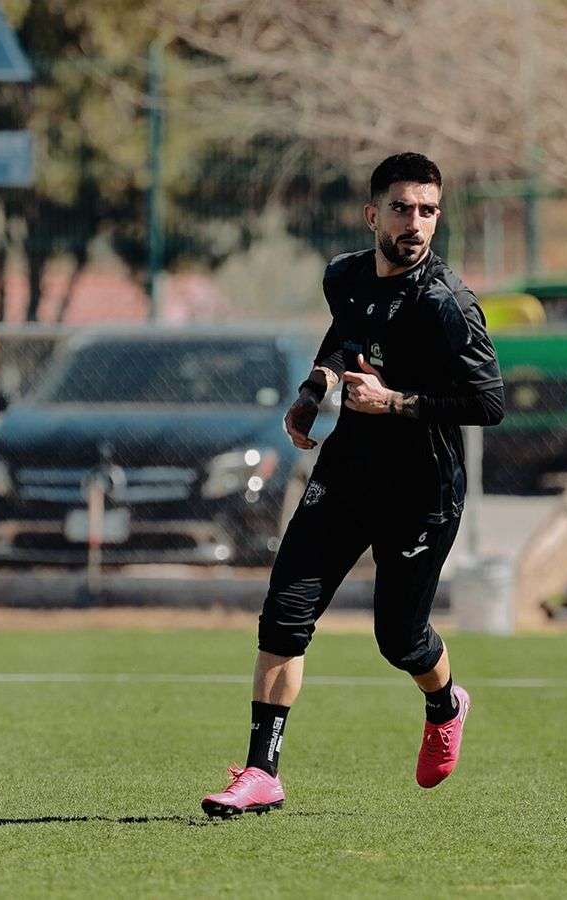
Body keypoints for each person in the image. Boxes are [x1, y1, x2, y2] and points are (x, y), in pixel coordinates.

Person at [202, 152, 505, 818]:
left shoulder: (447, 303)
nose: (416, 222)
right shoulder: (344, 276)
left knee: (400, 640)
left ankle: (445, 702)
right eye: (402, 207)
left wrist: (395, 403)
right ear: (373, 214)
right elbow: (348, 335)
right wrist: (314, 390)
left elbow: (488, 403)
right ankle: (262, 771)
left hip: (424, 490)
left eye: (428, 210)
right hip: (346, 476)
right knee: (284, 614)